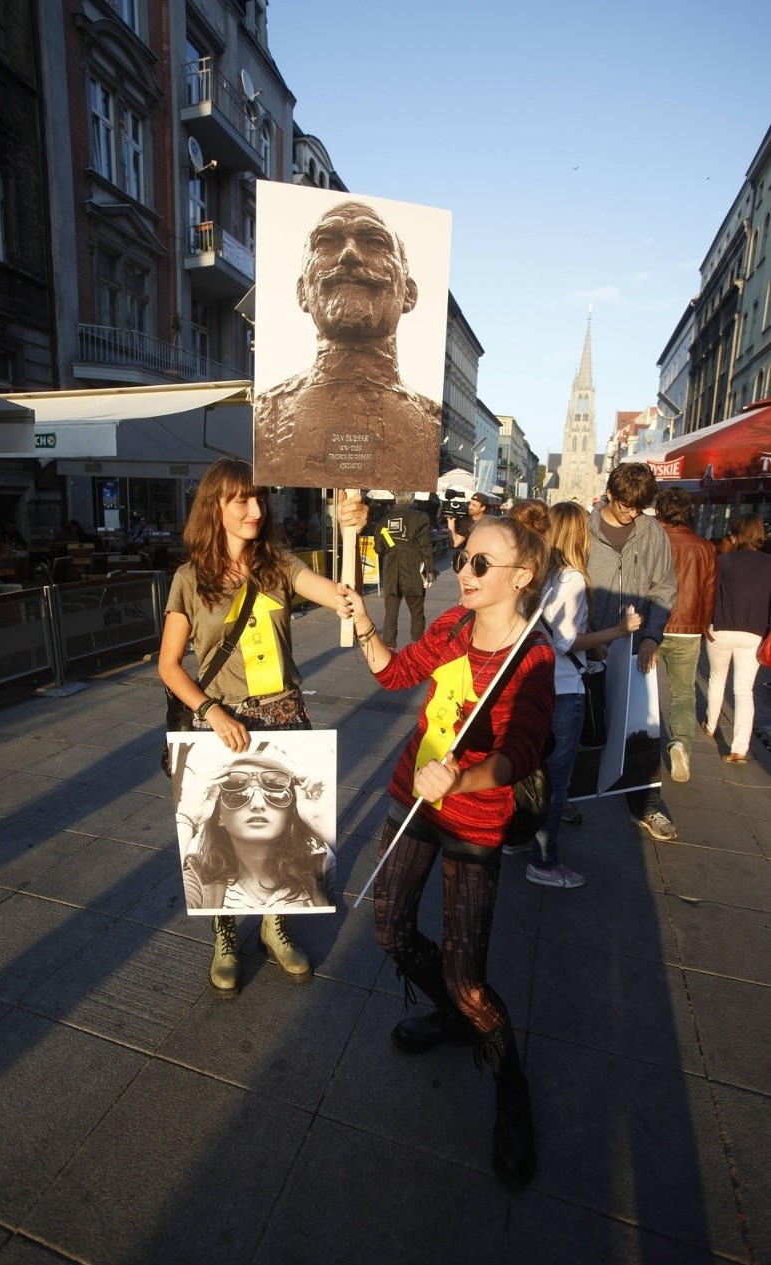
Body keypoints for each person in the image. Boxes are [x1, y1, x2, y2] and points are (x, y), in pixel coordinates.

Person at [338, 516, 555, 1190]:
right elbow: (397, 673)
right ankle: (457, 1022)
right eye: (463, 557)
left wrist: (461, 777)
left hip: (473, 815)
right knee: (389, 928)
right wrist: (364, 621)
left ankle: (510, 1089)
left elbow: (521, 751)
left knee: (469, 977)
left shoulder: (534, 655)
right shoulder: (453, 628)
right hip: (413, 795)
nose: (464, 570)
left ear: (522, 576)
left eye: (482, 563)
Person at [158, 457, 366, 997]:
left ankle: (276, 926)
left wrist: (351, 536)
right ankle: (225, 934)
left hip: (285, 716)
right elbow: (168, 665)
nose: (255, 509)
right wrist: (212, 712)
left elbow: (342, 600)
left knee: (282, 830)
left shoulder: (277, 565)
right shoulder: (188, 579)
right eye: (240, 500)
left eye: (259, 499)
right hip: (219, 721)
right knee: (222, 829)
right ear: (215, 507)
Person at [254, 201, 441, 490]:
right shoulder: (265, 414)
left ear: (409, 294)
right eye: (328, 241)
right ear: (302, 291)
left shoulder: (431, 422)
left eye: (375, 242)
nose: (350, 254)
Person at [504, 501, 642, 886]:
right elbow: (565, 640)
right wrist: (617, 631)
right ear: (580, 533)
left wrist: (590, 646)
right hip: (563, 689)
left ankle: (516, 839)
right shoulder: (572, 579)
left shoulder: (534, 573)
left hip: (529, 684)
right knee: (556, 780)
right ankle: (544, 863)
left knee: (526, 770)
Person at [587, 463, 677, 841]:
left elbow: (663, 589)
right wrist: (591, 638)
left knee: (642, 730)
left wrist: (652, 637)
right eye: (626, 505)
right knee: (582, 728)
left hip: (635, 647)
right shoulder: (584, 531)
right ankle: (564, 799)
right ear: (610, 493)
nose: (631, 513)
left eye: (638, 507)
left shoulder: (651, 532)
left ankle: (645, 807)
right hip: (592, 645)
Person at [174, 746, 335, 915]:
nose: (258, 804)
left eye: (275, 795)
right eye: (239, 795)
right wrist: (187, 816)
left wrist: (320, 819)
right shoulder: (198, 879)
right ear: (219, 816)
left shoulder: (323, 872)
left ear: (290, 813)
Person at [654, 488, 718, 783]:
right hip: (689, 629)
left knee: (643, 689)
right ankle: (680, 742)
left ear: (660, 512)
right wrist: (703, 625)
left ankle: (638, 741)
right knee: (683, 692)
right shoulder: (705, 547)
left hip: (653, 625)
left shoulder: (655, 541)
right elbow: (708, 590)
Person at [703, 514, 771, 763]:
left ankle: (711, 724)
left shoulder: (724, 561)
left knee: (716, 679)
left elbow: (710, 595)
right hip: (754, 632)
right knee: (744, 690)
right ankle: (739, 749)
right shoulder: (769, 564)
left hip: (720, 627)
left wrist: (704, 624)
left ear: (736, 535)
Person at [375, 491, 434, 646]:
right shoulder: (420, 517)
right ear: (412, 499)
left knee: (391, 613)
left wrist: (393, 548)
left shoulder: (384, 520)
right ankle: (417, 646)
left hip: (392, 571)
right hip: (413, 569)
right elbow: (425, 546)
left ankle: (389, 647)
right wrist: (429, 571)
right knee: (417, 612)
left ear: (395, 499)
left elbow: (378, 548)